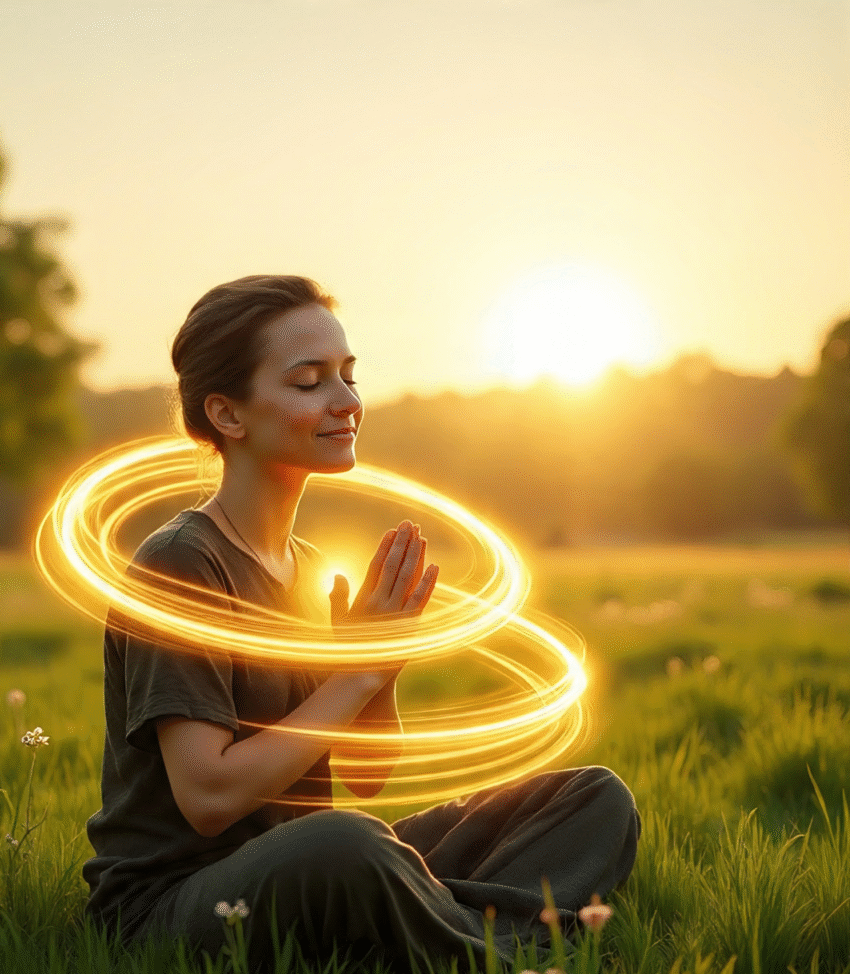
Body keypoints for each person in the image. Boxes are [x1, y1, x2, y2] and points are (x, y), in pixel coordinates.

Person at [82, 274, 641, 974]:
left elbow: (366, 772)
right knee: (349, 846)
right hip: (179, 908)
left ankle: (429, 919)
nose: (347, 401)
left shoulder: (307, 567)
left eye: (348, 375)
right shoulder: (182, 563)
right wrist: (357, 673)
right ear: (228, 414)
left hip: (306, 865)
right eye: (310, 382)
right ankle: (490, 947)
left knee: (589, 797)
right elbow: (208, 797)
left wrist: (382, 668)